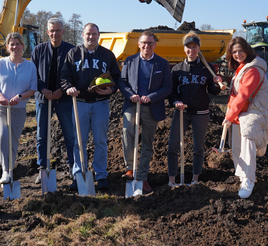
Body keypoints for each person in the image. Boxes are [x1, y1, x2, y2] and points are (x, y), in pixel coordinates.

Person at [60, 23, 121, 191]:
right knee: (79, 142)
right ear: (82, 35)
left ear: (98, 35)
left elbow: (116, 76)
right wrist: (68, 87)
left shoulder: (107, 55)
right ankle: (79, 175)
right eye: (88, 34)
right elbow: (65, 76)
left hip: (101, 104)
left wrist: (112, 89)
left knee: (100, 141)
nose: (91, 37)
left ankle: (101, 175)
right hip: (79, 104)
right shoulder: (73, 54)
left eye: (94, 34)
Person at [118, 31, 172, 193]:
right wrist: (130, 95)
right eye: (144, 43)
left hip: (152, 107)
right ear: (139, 44)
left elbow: (167, 87)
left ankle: (142, 177)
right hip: (132, 104)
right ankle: (130, 168)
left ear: (155, 45)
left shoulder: (162, 64)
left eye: (150, 43)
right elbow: (122, 82)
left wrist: (151, 97)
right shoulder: (130, 61)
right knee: (127, 131)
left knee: (147, 142)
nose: (146, 46)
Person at [167, 31, 223, 187]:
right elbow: (171, 92)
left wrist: (217, 82)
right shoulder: (177, 69)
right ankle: (172, 181)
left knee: (198, 147)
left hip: (201, 113)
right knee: (172, 146)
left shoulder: (207, 68)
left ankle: (195, 181)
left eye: (194, 47)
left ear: (199, 48)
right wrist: (176, 101)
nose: (191, 50)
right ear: (184, 49)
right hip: (181, 112)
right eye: (188, 47)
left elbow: (212, 91)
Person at [222, 37, 268, 199]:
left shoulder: (253, 69)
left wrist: (229, 116)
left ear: (247, 50)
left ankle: (249, 179)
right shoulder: (241, 68)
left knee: (248, 143)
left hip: (254, 112)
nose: (237, 54)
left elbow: (244, 95)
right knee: (236, 145)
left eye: (240, 51)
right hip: (241, 112)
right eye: (234, 52)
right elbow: (237, 93)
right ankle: (243, 176)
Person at [31, 18, 76, 183]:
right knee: (42, 136)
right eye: (52, 30)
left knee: (70, 136)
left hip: (64, 100)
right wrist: (43, 90)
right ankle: (43, 168)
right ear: (47, 32)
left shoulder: (71, 50)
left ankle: (73, 167)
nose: (55, 33)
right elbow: (32, 73)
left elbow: (74, 74)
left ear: (63, 32)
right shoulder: (38, 50)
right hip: (43, 99)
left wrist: (61, 90)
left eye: (58, 30)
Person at [0, 32, 37, 186]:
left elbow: (33, 89)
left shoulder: (30, 66)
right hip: (0, 107)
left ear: (22, 46)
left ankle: (10, 171)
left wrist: (20, 97)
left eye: (18, 43)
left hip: (18, 109)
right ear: (7, 47)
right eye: (12, 44)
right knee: (3, 135)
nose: (15, 46)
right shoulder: (0, 63)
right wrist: (1, 97)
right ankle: (5, 170)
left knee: (13, 140)